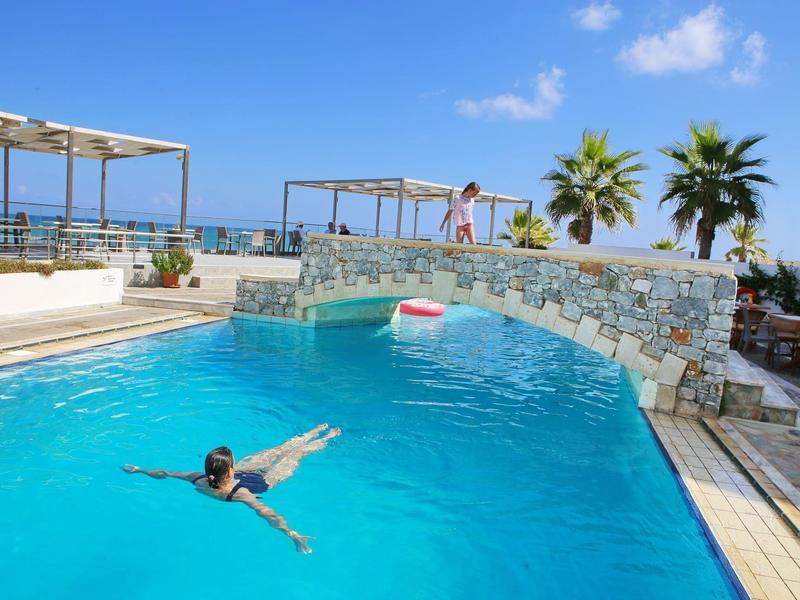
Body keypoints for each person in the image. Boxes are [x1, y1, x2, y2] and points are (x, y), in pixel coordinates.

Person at [122, 423, 341, 554]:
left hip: (243, 474)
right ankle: (323, 433)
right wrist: (292, 534)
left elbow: (165, 473)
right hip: (264, 481)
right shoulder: (241, 494)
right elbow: (267, 514)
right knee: (290, 452)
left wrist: (140, 470)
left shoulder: (197, 479)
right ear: (229, 471)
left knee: (282, 451)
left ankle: (320, 435)